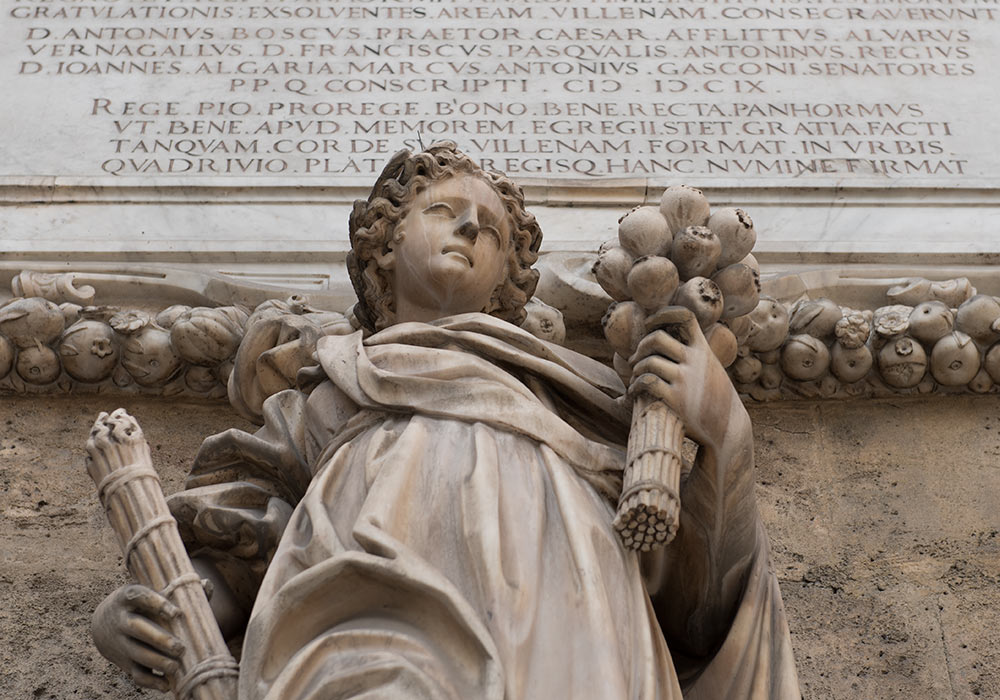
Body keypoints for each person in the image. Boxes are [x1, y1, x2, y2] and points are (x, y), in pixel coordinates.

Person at [92, 142, 800, 699]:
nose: (469, 225)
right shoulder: (330, 387)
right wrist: (152, 616)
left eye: (490, 229)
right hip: (372, 624)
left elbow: (697, 595)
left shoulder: (576, 392)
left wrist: (719, 425)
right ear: (383, 246)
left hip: (571, 623)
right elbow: (243, 550)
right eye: (443, 211)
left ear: (506, 281)